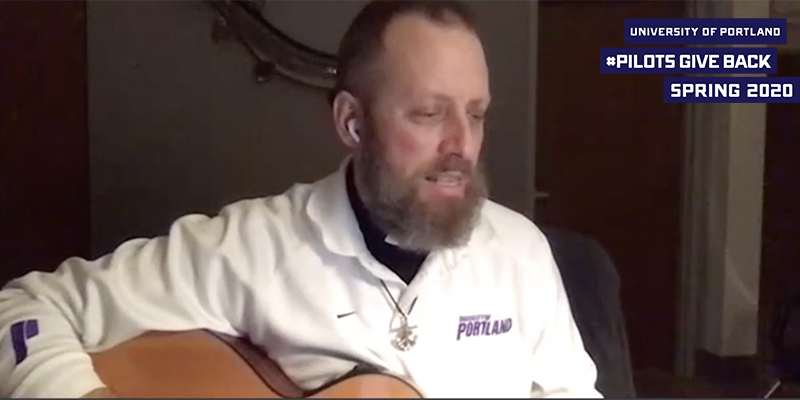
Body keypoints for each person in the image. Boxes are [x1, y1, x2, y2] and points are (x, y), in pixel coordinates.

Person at [0, 1, 601, 398]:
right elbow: (22, 310)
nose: (461, 145)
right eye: (428, 113)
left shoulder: (520, 254)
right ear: (352, 123)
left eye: (476, 115)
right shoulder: (254, 247)